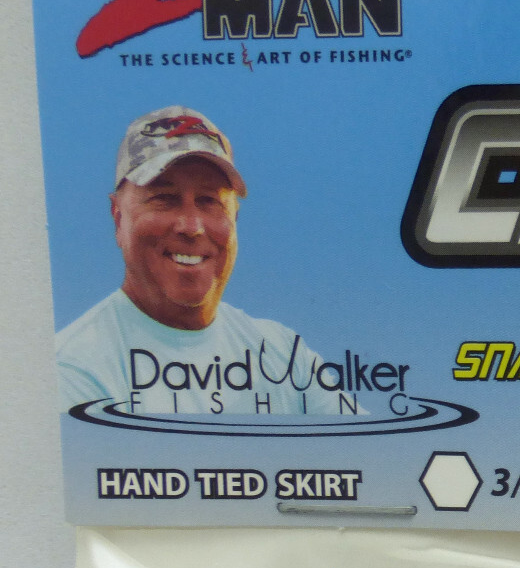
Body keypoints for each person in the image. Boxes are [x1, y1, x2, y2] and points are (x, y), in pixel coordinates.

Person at [56, 106, 348, 417]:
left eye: (209, 201)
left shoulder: (285, 355)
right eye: (164, 199)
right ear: (118, 218)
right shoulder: (73, 369)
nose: (192, 226)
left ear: (234, 218)